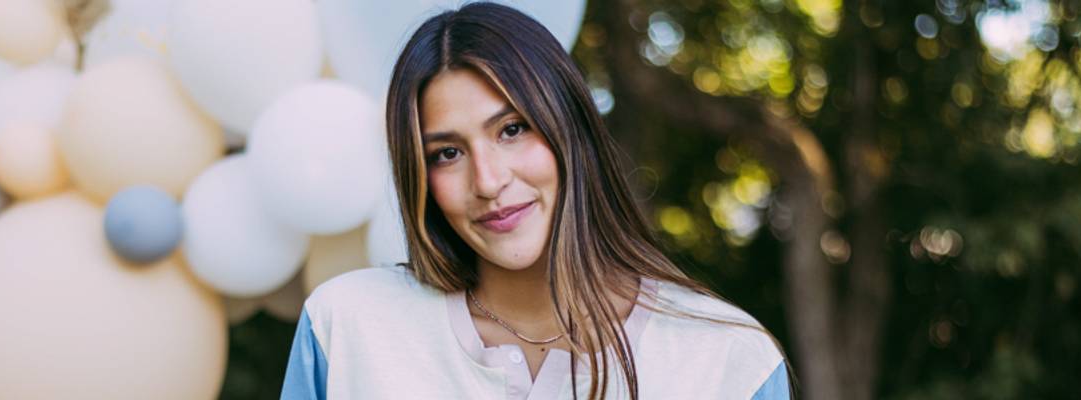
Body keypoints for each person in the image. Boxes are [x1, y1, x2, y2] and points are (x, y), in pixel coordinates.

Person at [281, 3, 790, 399]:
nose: (488, 181)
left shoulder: (729, 360)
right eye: (447, 153)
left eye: (512, 129)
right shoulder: (347, 327)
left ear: (570, 126)